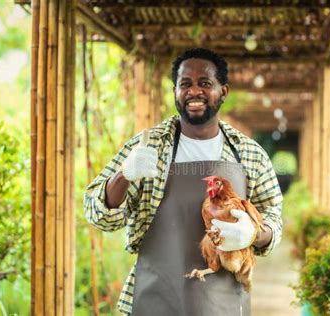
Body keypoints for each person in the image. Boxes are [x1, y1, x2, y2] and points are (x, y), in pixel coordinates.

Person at [84, 48, 283, 316]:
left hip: (222, 303)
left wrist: (253, 233)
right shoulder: (148, 145)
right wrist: (123, 174)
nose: (194, 92)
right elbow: (99, 216)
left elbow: (273, 218)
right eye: (185, 84)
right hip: (155, 300)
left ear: (223, 91)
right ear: (175, 91)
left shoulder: (249, 153)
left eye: (205, 83)